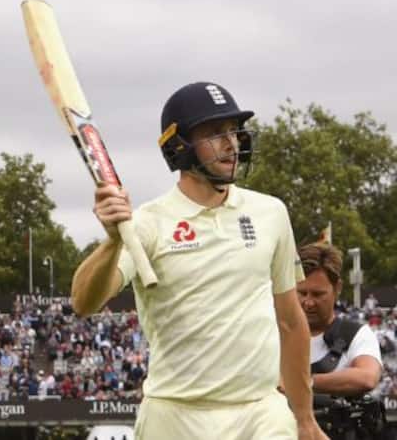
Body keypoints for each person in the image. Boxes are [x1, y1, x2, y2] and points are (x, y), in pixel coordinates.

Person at [71, 82, 327, 440]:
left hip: (259, 412)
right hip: (175, 415)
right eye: (214, 134)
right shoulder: (147, 223)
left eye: (233, 132)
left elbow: (290, 322)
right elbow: (84, 301)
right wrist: (113, 241)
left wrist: (303, 417)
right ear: (179, 147)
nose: (231, 144)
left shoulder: (270, 213)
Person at [297, 243, 384, 439]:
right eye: (302, 293)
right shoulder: (274, 333)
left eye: (318, 294)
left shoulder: (356, 333)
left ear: (337, 288)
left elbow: (367, 377)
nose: (308, 302)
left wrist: (300, 384)